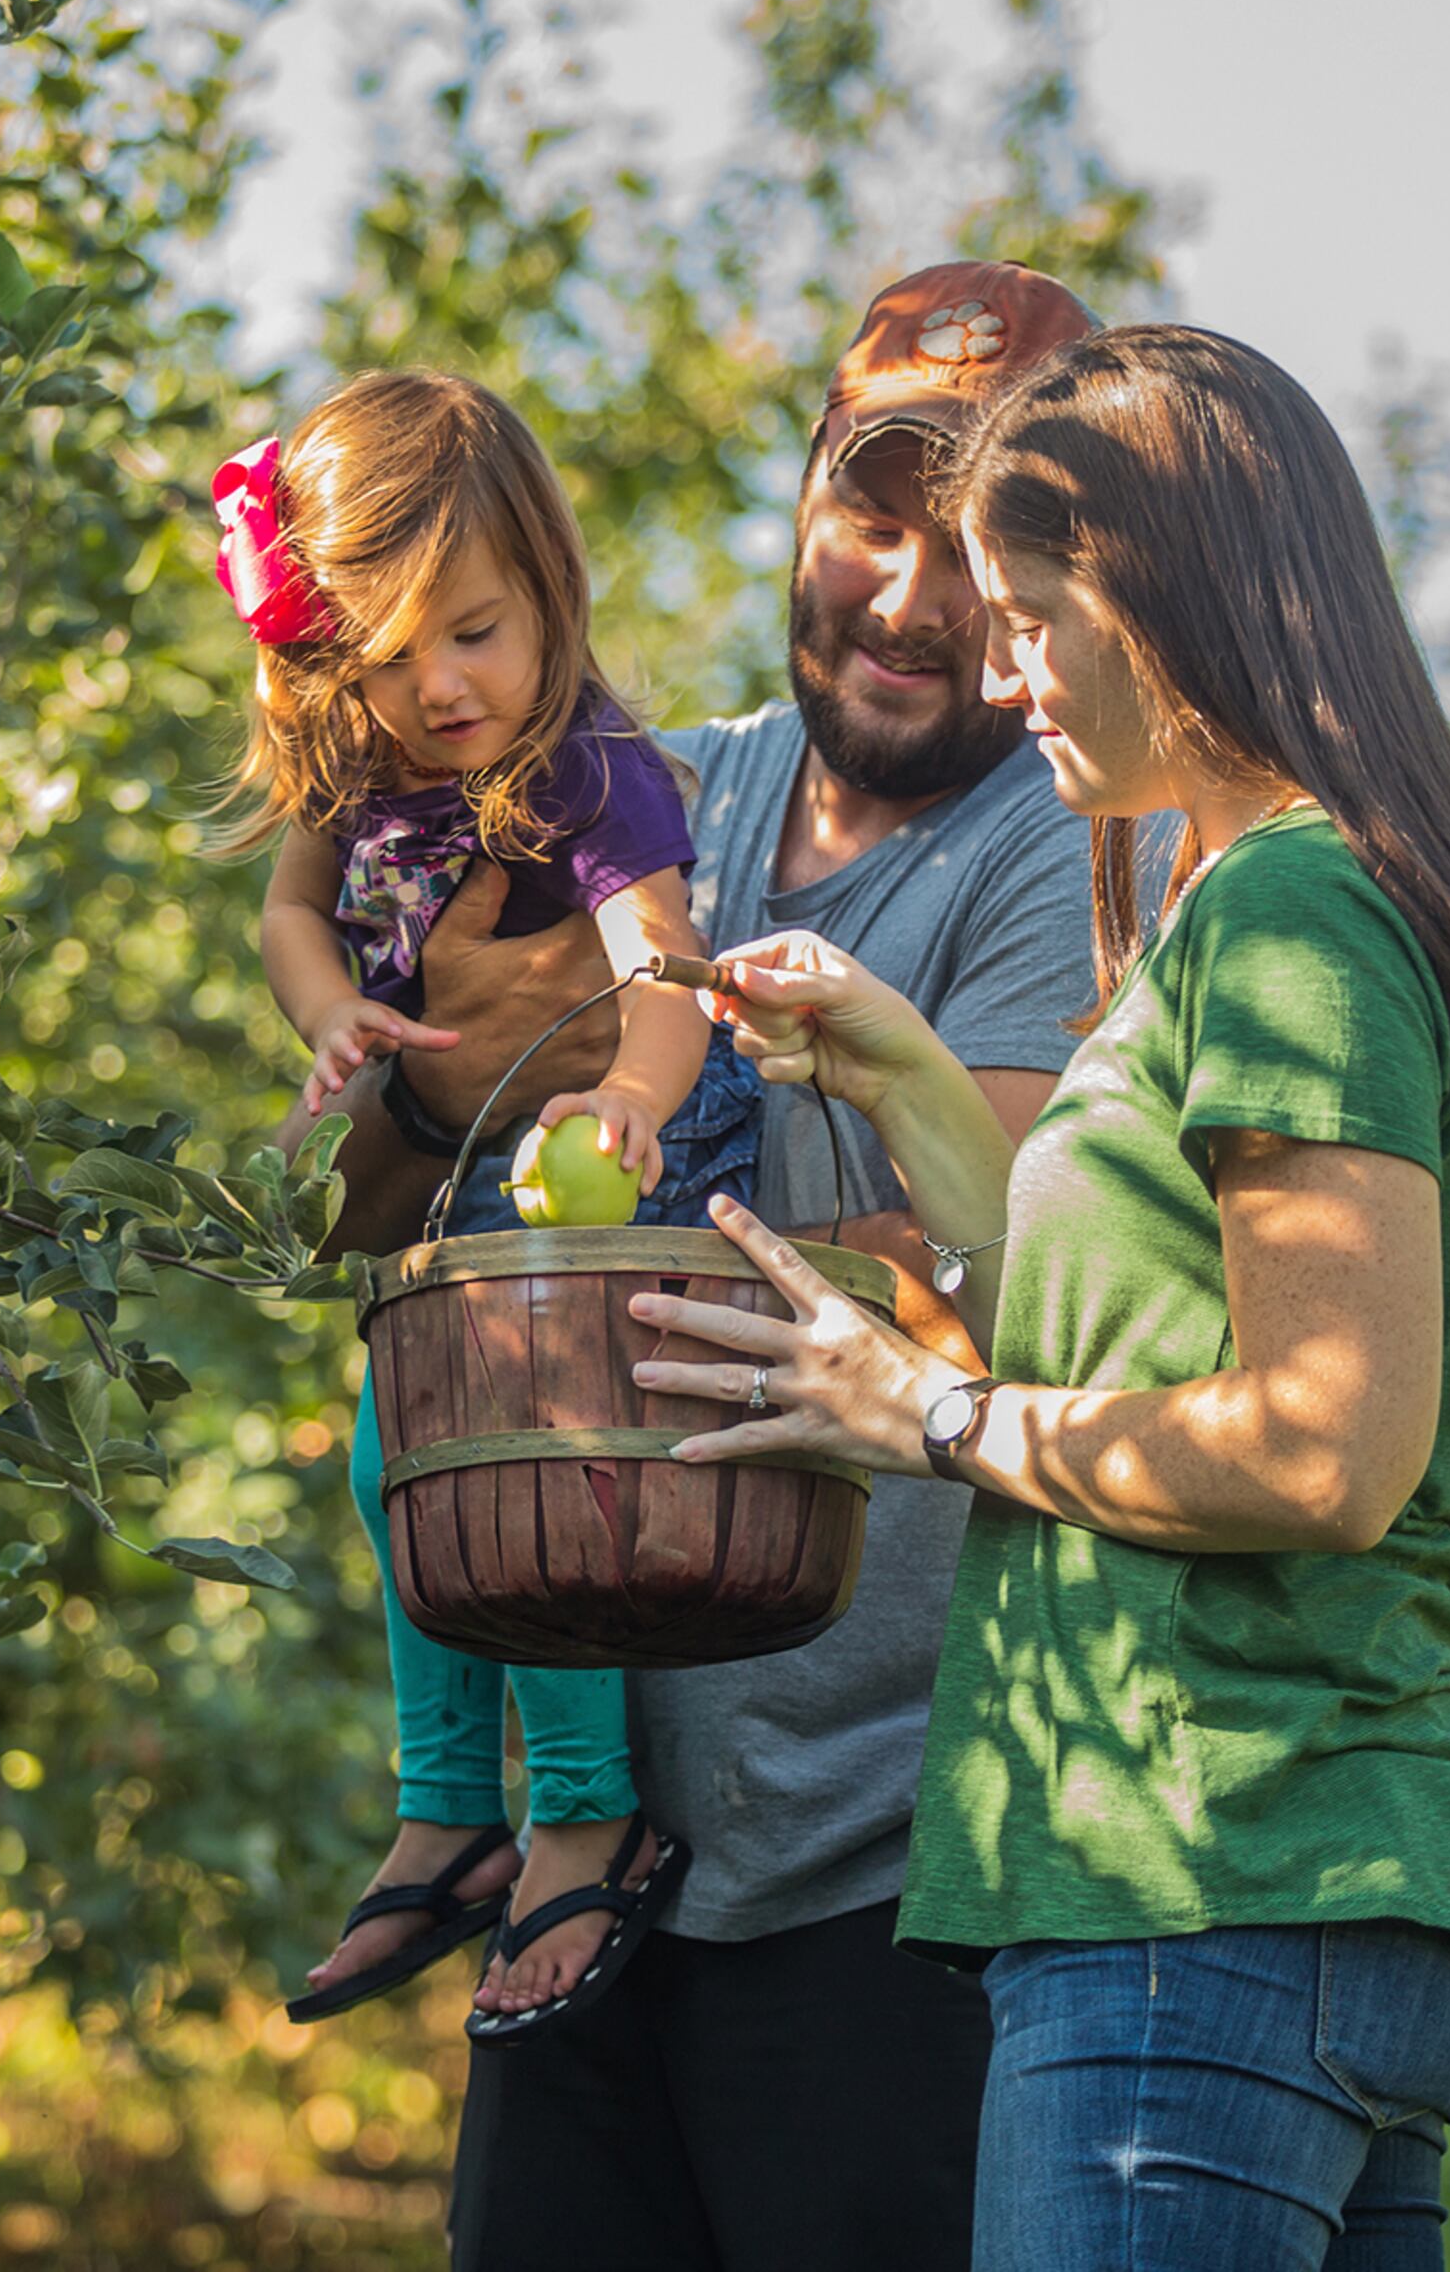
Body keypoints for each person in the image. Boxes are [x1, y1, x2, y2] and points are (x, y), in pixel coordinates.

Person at [634, 322, 1450, 2269]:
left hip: (1209, 1866)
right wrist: (909, 1066)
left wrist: (921, 1414)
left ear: (1161, 590)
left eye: (1026, 611)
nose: (999, 672)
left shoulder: (1288, 909)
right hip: (1298, 1877)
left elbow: (1325, 1442)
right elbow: (1129, 1327)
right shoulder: (1280, 895)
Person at [317, 262, 1110, 2270]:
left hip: (889, 1861)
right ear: (802, 502)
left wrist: (578, 1275)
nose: (917, 594)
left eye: (992, 538)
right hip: (608, 1835)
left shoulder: (1074, 855)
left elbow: (974, 1260)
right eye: (877, 511)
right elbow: (403, 1182)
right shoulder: (654, 786)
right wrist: (421, 1085)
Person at [221, 371, 767, 2036]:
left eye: (471, 631)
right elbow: (290, 913)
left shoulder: (588, 760)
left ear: (545, 586)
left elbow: (669, 968)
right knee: (406, 1454)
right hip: (473, 1159)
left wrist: (636, 1092)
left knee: (532, 1454)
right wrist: (330, 1015)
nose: (437, 685)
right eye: (384, 653)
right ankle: (450, 1799)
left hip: (635, 1135)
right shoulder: (360, 760)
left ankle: (581, 1801)